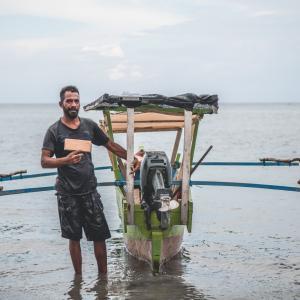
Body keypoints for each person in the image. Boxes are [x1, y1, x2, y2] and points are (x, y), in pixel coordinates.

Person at [41, 85, 127, 275]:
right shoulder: (54, 131)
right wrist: (66, 160)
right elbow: (44, 161)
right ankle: (78, 280)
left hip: (90, 191)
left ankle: (103, 279)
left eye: (76, 100)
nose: (73, 104)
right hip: (67, 194)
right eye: (69, 101)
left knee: (100, 236)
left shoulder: (89, 126)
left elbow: (110, 145)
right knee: (74, 238)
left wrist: (132, 158)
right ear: (61, 104)